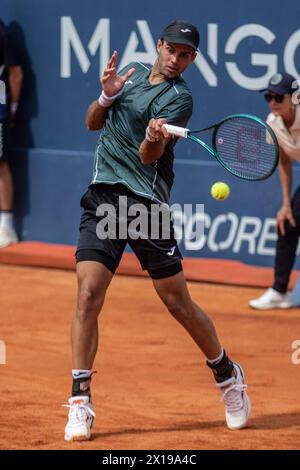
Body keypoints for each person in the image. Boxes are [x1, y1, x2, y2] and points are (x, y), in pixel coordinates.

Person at [64, 21, 251, 442]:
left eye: (185, 56)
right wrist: (106, 95)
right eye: (172, 50)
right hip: (103, 197)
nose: (176, 60)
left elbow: (150, 157)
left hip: (145, 206)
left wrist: (153, 136)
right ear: (159, 45)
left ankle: (226, 374)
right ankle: (80, 401)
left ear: (192, 60)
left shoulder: (179, 98)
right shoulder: (127, 72)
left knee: (178, 304)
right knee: (88, 294)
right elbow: (93, 123)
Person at [249, 72, 300, 310]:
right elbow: (285, 163)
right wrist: (286, 204)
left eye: (278, 97)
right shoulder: (273, 122)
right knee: (287, 222)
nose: (272, 102)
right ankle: (279, 291)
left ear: (296, 97)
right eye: (268, 97)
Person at [0, 19, 22, 248]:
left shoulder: (2, 34)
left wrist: (12, 108)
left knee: (0, 163)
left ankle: (7, 226)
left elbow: (16, 74)